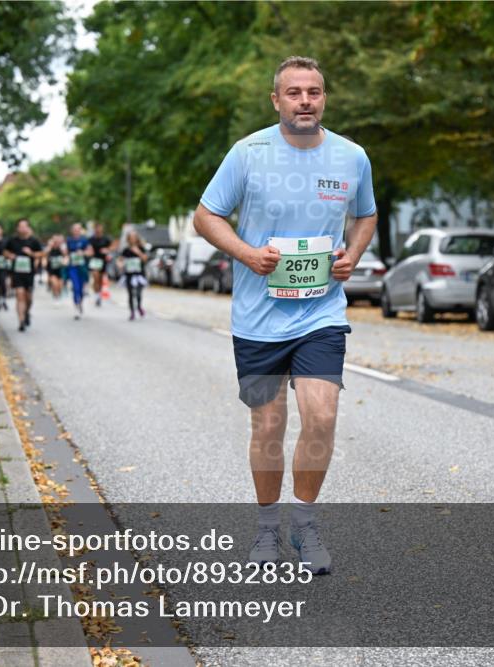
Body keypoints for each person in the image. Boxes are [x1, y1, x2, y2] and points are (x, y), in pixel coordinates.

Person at [193, 56, 377, 574]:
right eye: (293, 92)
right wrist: (248, 254)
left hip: (321, 313)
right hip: (257, 317)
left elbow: (366, 214)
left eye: (313, 92)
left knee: (322, 415)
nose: (304, 101)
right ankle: (268, 529)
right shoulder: (247, 153)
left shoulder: (351, 157)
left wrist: (353, 256)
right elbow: (205, 216)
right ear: (276, 101)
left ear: (324, 98)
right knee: (268, 426)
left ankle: (307, 524)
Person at [4, 218, 45, 332]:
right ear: (17, 228)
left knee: (29, 298)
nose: (22, 228)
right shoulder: (12, 241)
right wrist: (10, 255)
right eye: (20, 226)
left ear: (28, 228)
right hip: (16, 272)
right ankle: (21, 321)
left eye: (24, 226)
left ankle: (26, 312)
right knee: (19, 294)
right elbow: (5, 251)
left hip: (29, 273)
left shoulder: (33, 241)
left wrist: (31, 253)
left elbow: (41, 253)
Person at [119, 230, 148, 320]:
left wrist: (138, 252)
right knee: (131, 294)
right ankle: (132, 312)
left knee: (138, 293)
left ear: (136, 239)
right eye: (131, 238)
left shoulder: (141, 248)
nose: (132, 239)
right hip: (129, 275)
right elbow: (120, 260)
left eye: (134, 237)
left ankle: (139, 307)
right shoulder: (126, 250)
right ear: (128, 239)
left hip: (139, 275)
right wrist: (120, 264)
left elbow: (145, 259)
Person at [66, 223, 91, 319]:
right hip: (72, 267)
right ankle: (76, 308)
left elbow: (90, 252)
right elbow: (66, 253)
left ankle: (80, 303)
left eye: (78, 229)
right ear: (72, 230)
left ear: (80, 230)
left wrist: (83, 252)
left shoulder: (84, 240)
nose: (76, 231)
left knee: (81, 289)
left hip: (82, 267)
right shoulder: (69, 240)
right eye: (74, 229)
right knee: (75, 287)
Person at [88, 223, 113, 306]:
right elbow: (87, 247)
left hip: (102, 261)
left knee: (100, 279)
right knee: (95, 276)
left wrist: (107, 250)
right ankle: (96, 294)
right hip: (94, 260)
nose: (98, 230)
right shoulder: (91, 239)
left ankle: (99, 295)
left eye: (100, 228)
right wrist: (89, 251)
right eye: (97, 229)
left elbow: (113, 246)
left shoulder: (106, 239)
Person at [45, 234, 67, 300]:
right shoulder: (49, 248)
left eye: (58, 240)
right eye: (55, 240)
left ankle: (58, 294)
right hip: (52, 269)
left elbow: (66, 256)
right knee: (55, 284)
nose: (56, 242)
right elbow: (44, 255)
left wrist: (65, 261)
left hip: (61, 269)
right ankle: (55, 296)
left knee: (60, 286)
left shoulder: (62, 248)